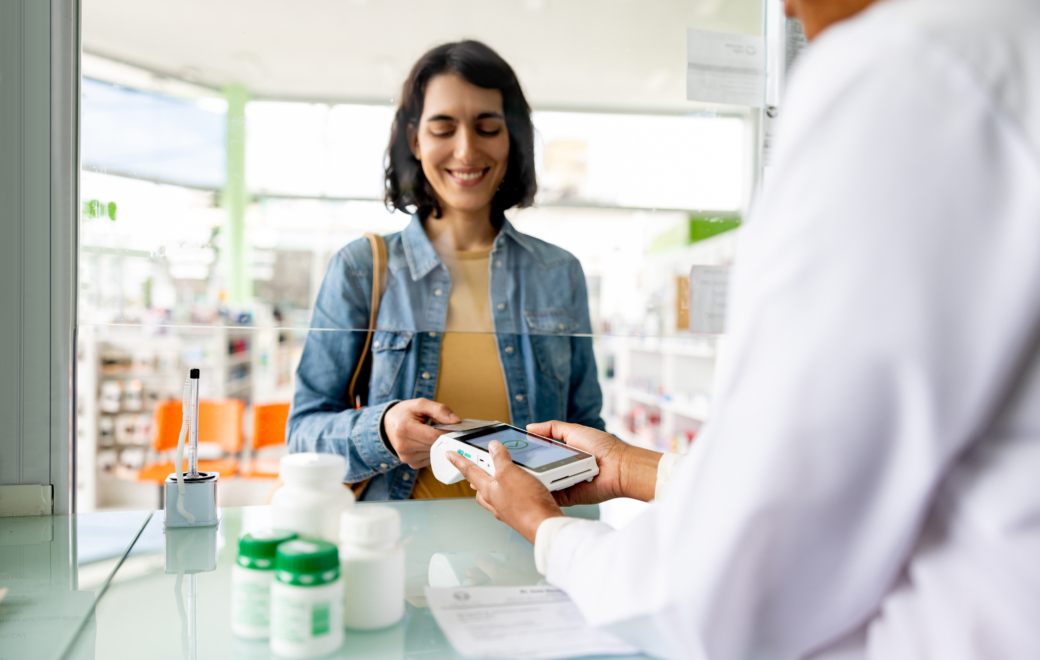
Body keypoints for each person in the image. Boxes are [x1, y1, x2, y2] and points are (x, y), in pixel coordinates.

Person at [448, 0, 1040, 657]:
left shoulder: (901, 72)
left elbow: (723, 594)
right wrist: (632, 467)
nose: (784, 7)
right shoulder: (1005, 42)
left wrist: (546, 530)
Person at [287, 40, 604, 501]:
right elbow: (302, 434)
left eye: (487, 127)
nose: (466, 149)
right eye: (443, 128)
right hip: (400, 553)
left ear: (511, 138)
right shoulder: (361, 268)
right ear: (415, 140)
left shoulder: (558, 272)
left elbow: (587, 432)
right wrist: (382, 428)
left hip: (530, 548)